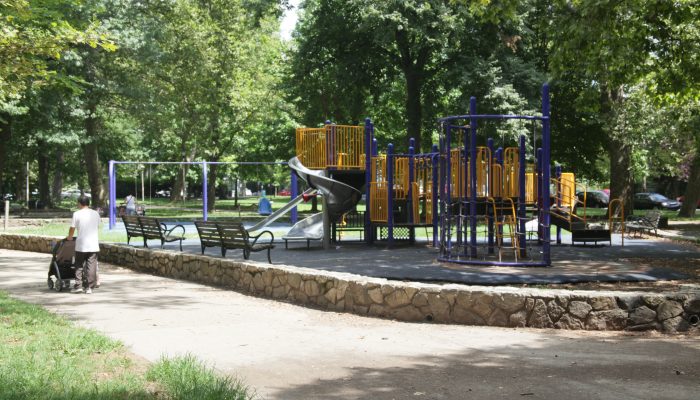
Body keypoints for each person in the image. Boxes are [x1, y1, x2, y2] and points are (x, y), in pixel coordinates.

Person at [66, 195, 101, 294]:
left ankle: (78, 286)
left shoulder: (77, 214)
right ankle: (89, 287)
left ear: (80, 203)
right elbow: (97, 226)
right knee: (91, 266)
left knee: (79, 265)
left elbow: (72, 228)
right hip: (93, 244)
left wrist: (69, 236)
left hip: (81, 244)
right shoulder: (96, 214)